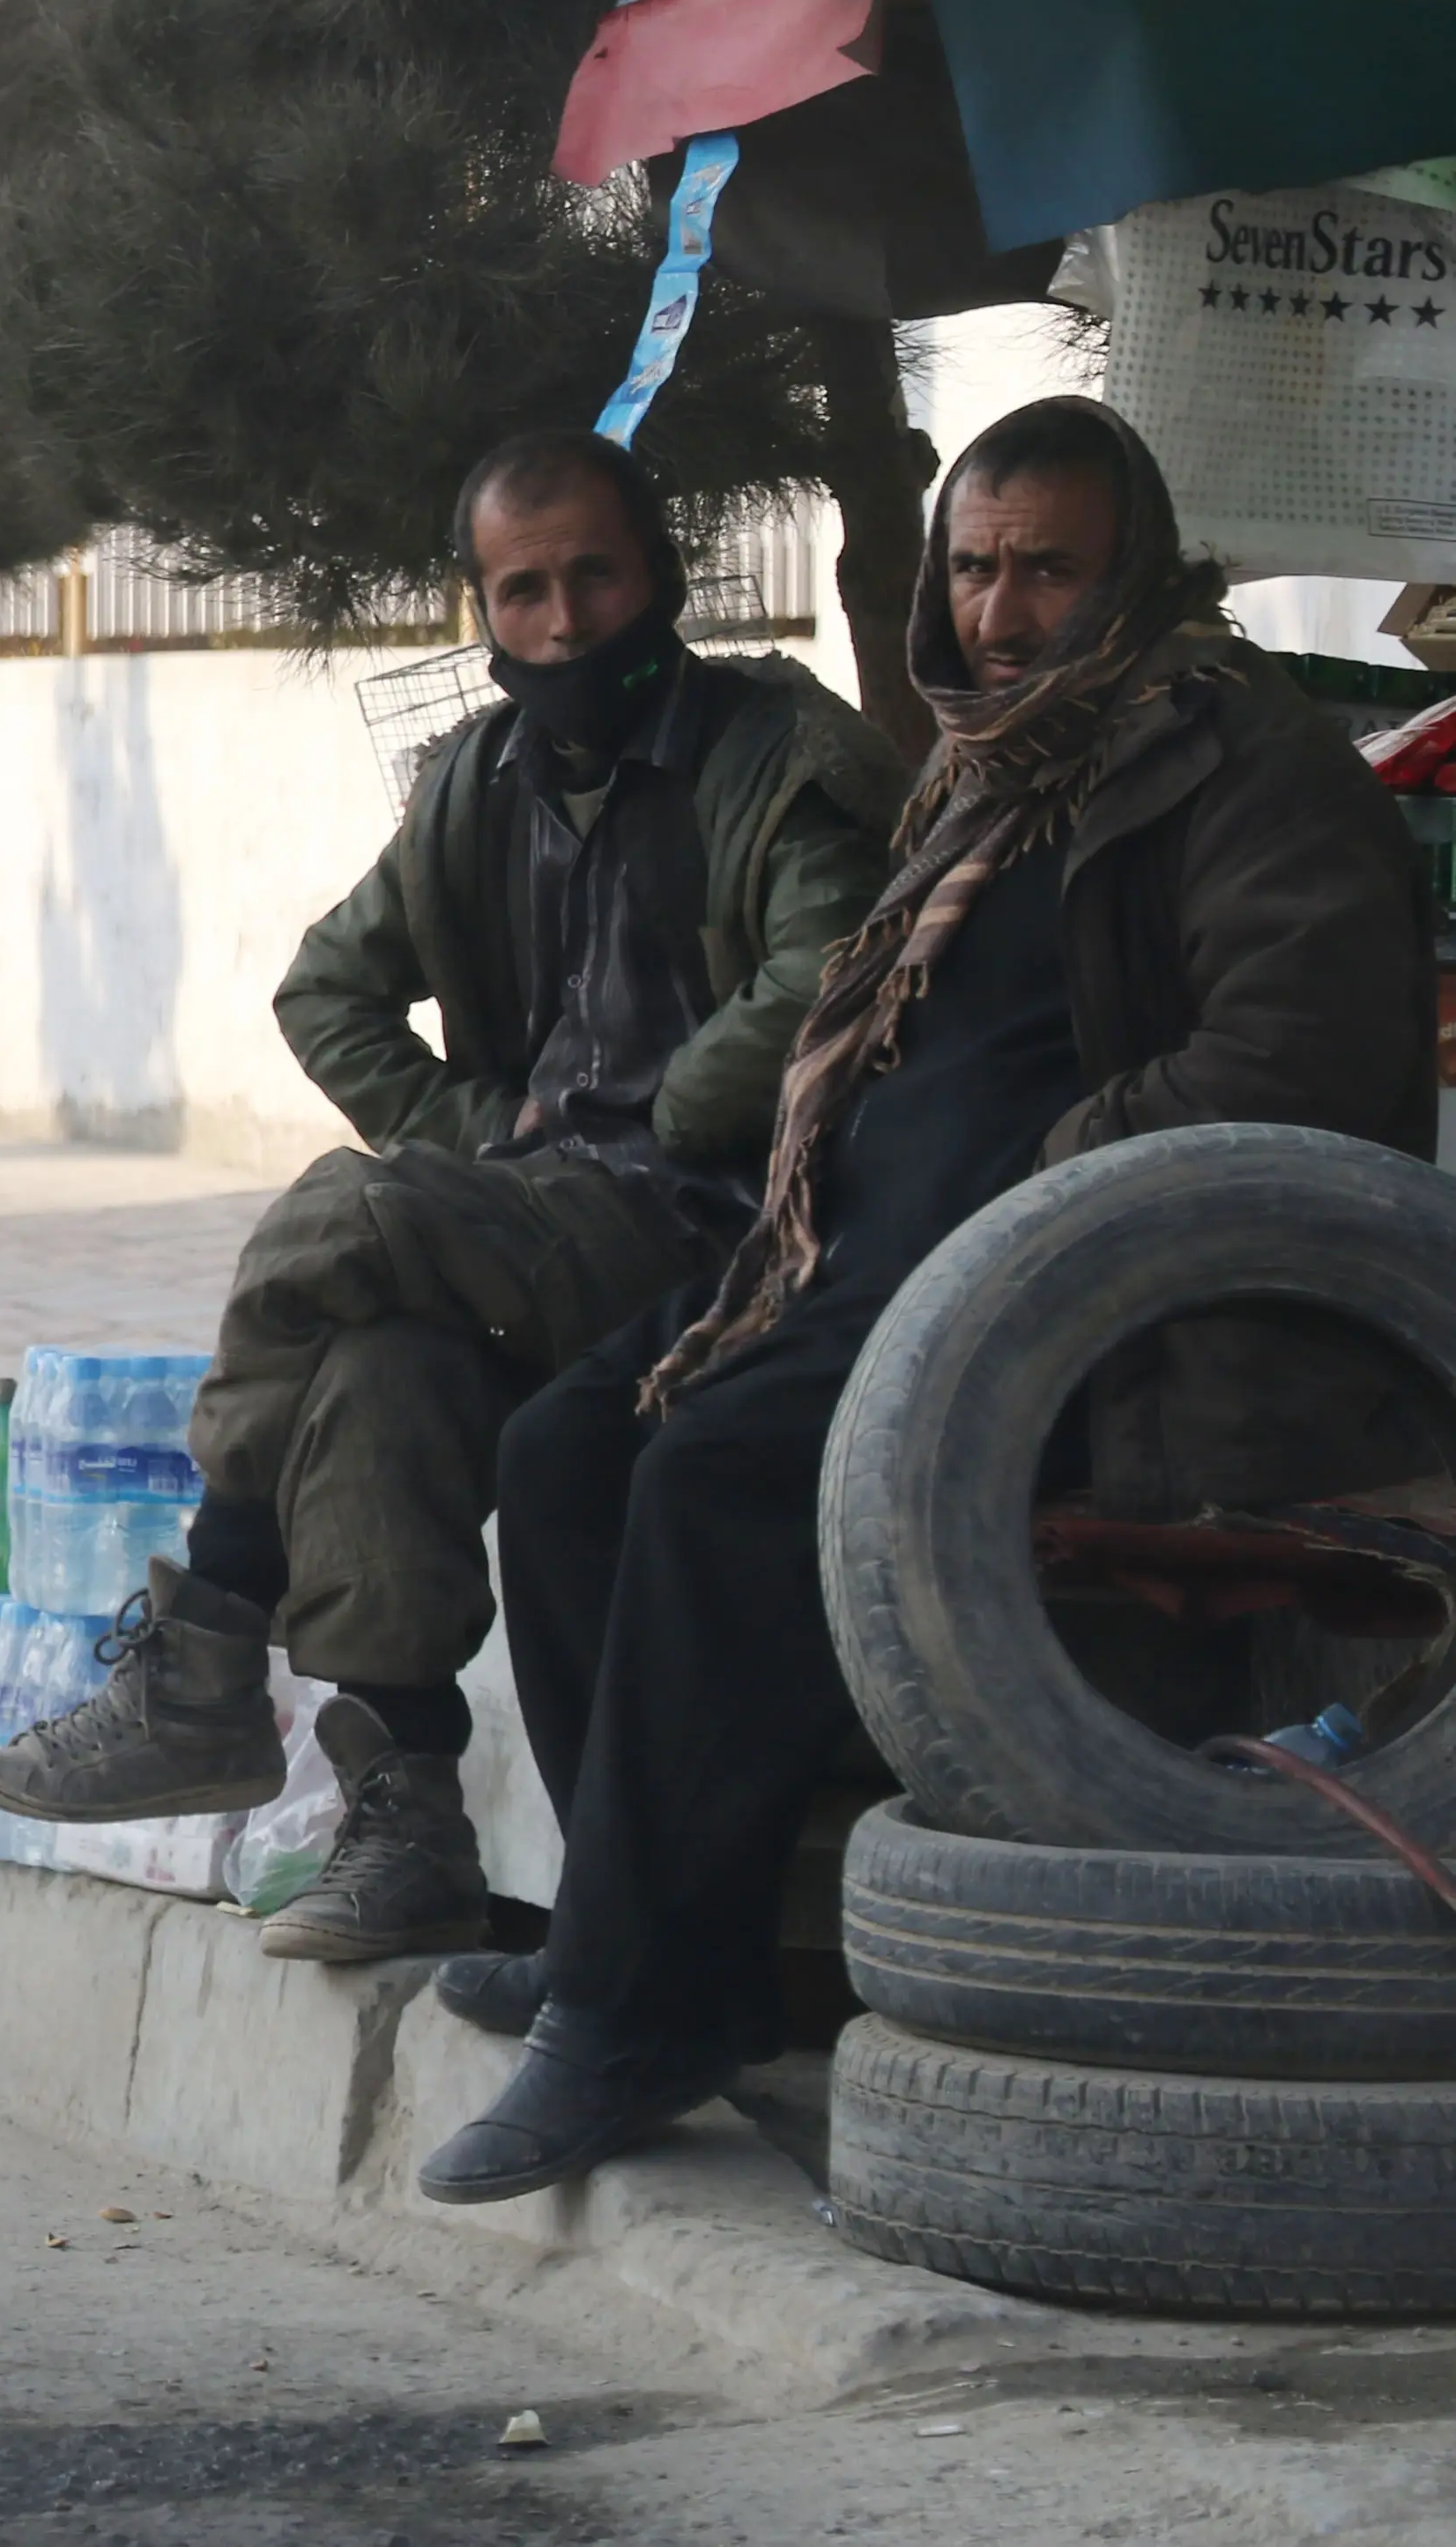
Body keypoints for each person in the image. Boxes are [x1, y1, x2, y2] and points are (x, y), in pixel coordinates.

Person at [425, 397, 1437, 2205]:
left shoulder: (1235, 758)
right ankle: (638, 1937)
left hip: (1083, 1308)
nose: (997, 610)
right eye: (971, 567)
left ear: (1124, 564)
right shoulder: (985, 770)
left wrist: (1054, 1166)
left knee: (709, 1473)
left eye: (1043, 565)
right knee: (566, 1440)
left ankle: (635, 2007)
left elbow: (1300, 1048)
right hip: (868, 1270)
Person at [0, 432, 903, 1964]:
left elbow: (828, 969)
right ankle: (406, 1823)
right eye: (520, 588)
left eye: (593, 574)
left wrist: (669, 1100)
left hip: (728, 1224)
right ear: (481, 604)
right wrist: (473, 1121)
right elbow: (326, 987)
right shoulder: (482, 778)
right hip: (543, 1215)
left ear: (656, 573)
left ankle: (204, 1643)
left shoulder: (770, 756)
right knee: (377, 1365)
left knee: (347, 1215)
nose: (562, 618)